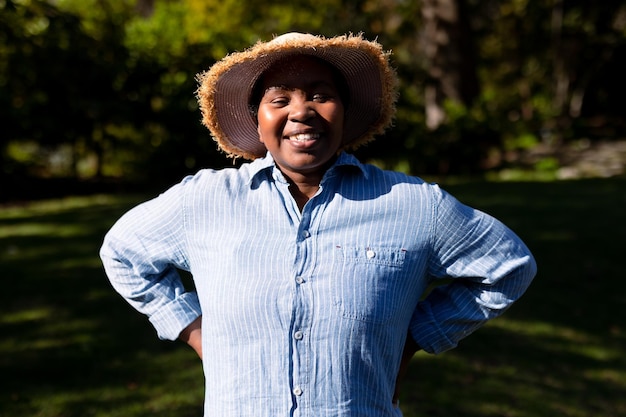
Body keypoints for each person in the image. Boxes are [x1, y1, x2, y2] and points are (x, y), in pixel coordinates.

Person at [100, 32, 536, 416]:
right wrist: (195, 332)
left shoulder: (414, 206)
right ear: (259, 117)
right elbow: (123, 251)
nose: (301, 111)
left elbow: (508, 265)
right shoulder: (205, 201)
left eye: (320, 94)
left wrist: (416, 337)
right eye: (279, 99)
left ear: (345, 110)